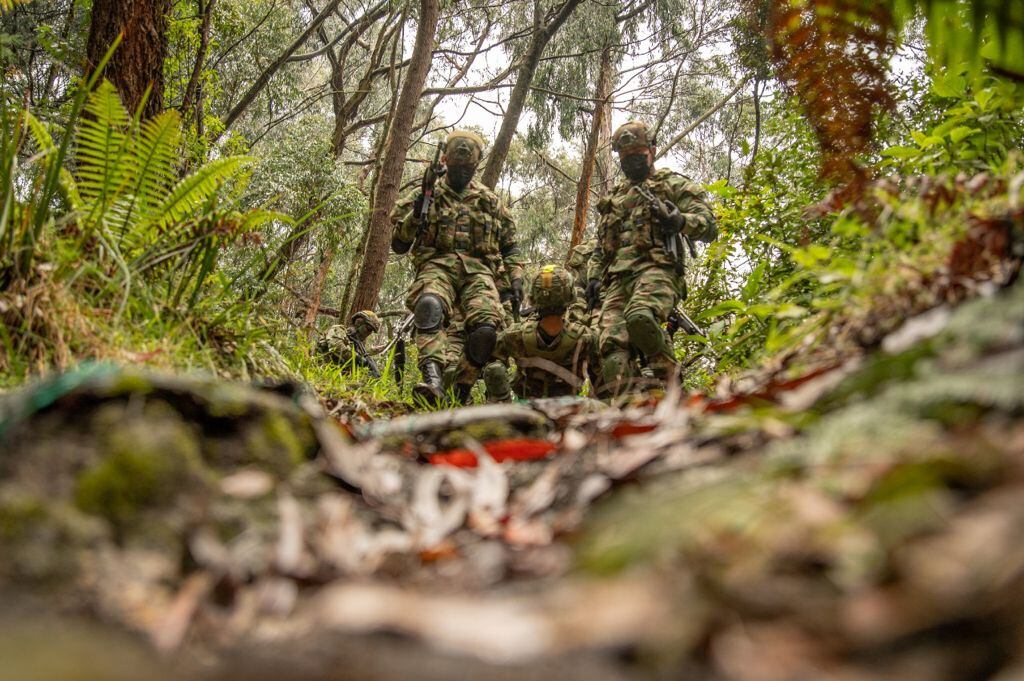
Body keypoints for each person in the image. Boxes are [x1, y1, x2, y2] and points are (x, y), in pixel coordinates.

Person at [390, 130, 524, 404]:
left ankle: (461, 388)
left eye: (468, 168)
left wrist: (517, 279)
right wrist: (417, 212)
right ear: (446, 161)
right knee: (430, 305)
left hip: (479, 272)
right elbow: (399, 244)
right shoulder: (426, 194)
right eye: (457, 166)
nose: (463, 172)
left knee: (486, 328)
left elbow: (510, 247)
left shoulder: (489, 201)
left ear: (476, 165)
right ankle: (433, 380)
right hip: (436, 265)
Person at [587, 121, 717, 395]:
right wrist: (594, 277)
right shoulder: (615, 197)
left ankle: (672, 386)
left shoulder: (671, 184)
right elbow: (602, 246)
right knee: (610, 347)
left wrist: (680, 221)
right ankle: (632, 408)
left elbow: (709, 226)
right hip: (617, 281)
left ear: (653, 150)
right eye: (626, 158)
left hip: (658, 270)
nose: (631, 163)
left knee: (640, 318)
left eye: (638, 155)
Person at [483, 264, 597, 399]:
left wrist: (501, 398)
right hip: (569, 407)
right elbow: (600, 375)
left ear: (533, 298)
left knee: (494, 369)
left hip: (526, 407)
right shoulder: (586, 337)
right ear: (570, 296)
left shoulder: (514, 335)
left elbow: (492, 366)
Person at [317, 310, 382, 377]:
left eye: (371, 331)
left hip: (337, 378)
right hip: (320, 372)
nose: (369, 333)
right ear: (359, 323)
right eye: (369, 329)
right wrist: (359, 359)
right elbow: (336, 347)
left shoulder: (356, 346)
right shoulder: (338, 329)